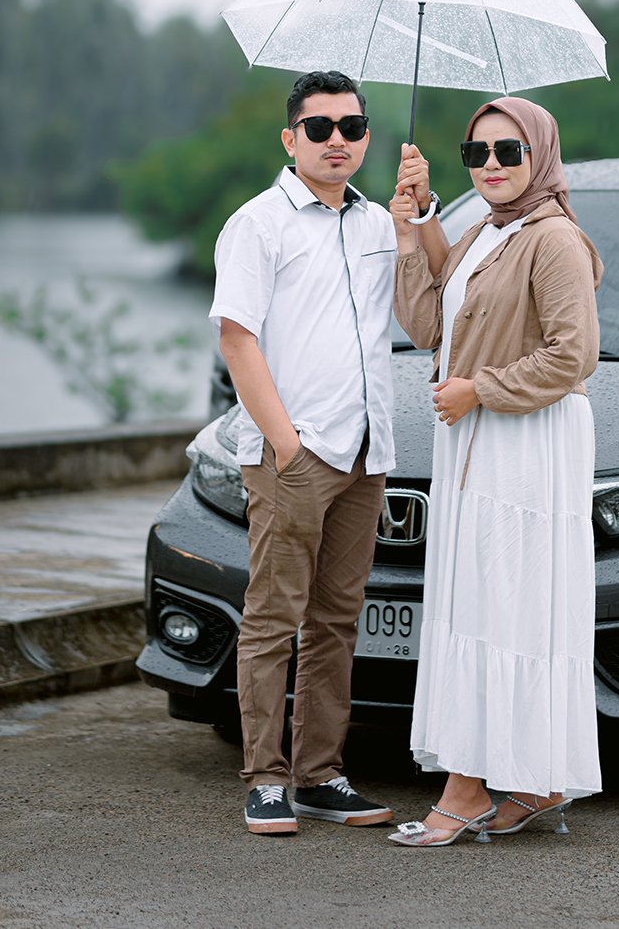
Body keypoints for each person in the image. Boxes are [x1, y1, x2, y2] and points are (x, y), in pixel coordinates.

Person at [387, 96, 603, 847]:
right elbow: (428, 326)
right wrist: (415, 224)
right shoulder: (486, 230)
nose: (489, 165)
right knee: (489, 604)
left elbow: (575, 356)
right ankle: (536, 782)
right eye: (475, 153)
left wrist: (480, 389)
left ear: (539, 156)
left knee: (500, 606)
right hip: (476, 439)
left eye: (508, 151)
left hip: (526, 443)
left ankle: (466, 790)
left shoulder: (554, 238)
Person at [209, 70, 398, 835]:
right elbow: (236, 339)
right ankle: (265, 779)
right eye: (319, 128)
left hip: (365, 451)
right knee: (272, 618)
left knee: (336, 621)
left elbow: (428, 304)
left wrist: (419, 217)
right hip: (296, 454)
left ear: (365, 138)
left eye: (351, 127)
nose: (336, 140)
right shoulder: (258, 224)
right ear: (291, 139)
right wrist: (286, 447)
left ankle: (321, 775)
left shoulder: (380, 224)